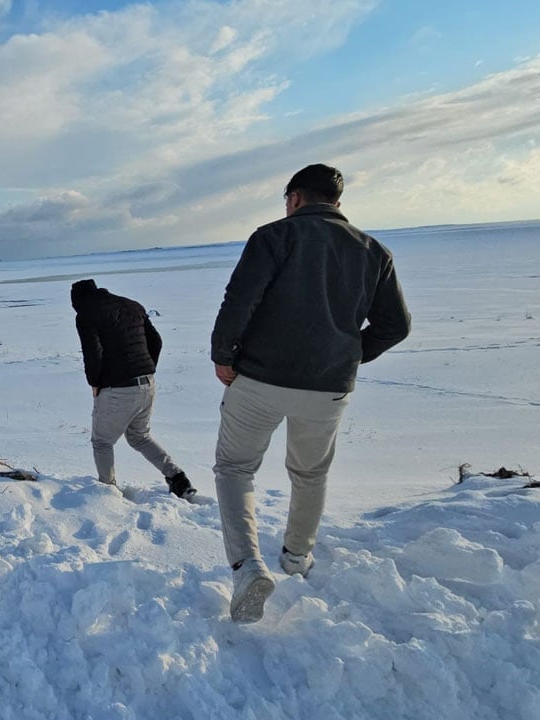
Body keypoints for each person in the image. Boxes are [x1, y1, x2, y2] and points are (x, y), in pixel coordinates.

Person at [210, 164, 411, 623]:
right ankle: (297, 557)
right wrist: (349, 355)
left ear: (296, 198)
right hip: (327, 389)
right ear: (336, 203)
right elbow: (396, 326)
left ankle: (246, 566)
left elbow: (238, 300)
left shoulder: (273, 237)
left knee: (235, 468)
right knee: (310, 472)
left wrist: (224, 354)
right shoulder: (374, 251)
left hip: (259, 380)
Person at [72, 279, 196, 499]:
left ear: (78, 300)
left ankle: (107, 493)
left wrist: (95, 383)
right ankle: (178, 478)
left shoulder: (86, 314)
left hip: (118, 389)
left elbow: (93, 353)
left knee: (102, 442)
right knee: (140, 437)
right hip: (147, 384)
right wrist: (146, 369)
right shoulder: (132, 305)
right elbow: (156, 341)